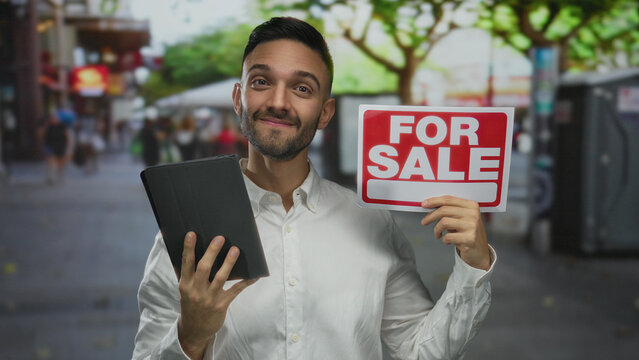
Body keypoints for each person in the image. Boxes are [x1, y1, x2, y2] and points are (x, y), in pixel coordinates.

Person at [133, 17, 495, 360]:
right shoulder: (187, 229)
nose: (278, 101)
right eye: (261, 82)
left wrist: (473, 264)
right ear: (238, 98)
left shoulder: (371, 222)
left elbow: (421, 351)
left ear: (325, 113)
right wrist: (190, 336)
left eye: (302, 88)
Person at [42, 111, 72, 184]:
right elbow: (42, 135)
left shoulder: (62, 125)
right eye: (51, 118)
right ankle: (51, 176)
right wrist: (46, 126)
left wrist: (68, 146)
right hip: (50, 145)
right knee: (50, 160)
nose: (52, 120)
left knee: (60, 160)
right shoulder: (48, 126)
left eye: (54, 118)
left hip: (60, 145)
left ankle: (60, 175)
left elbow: (67, 136)